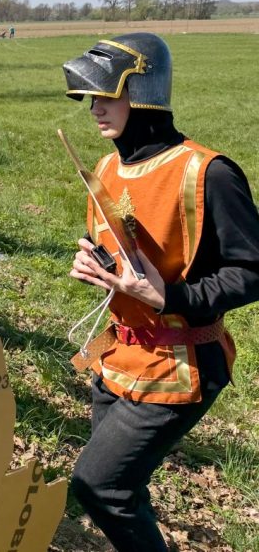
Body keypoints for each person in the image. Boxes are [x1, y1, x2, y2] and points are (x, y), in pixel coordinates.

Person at [63, 33, 259, 551]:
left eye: (108, 95)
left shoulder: (208, 173)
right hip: (117, 353)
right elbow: (116, 246)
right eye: (92, 98)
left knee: (100, 486)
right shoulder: (107, 168)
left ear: (144, 90)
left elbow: (252, 270)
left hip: (181, 362)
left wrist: (169, 297)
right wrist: (94, 263)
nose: (95, 109)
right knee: (124, 487)